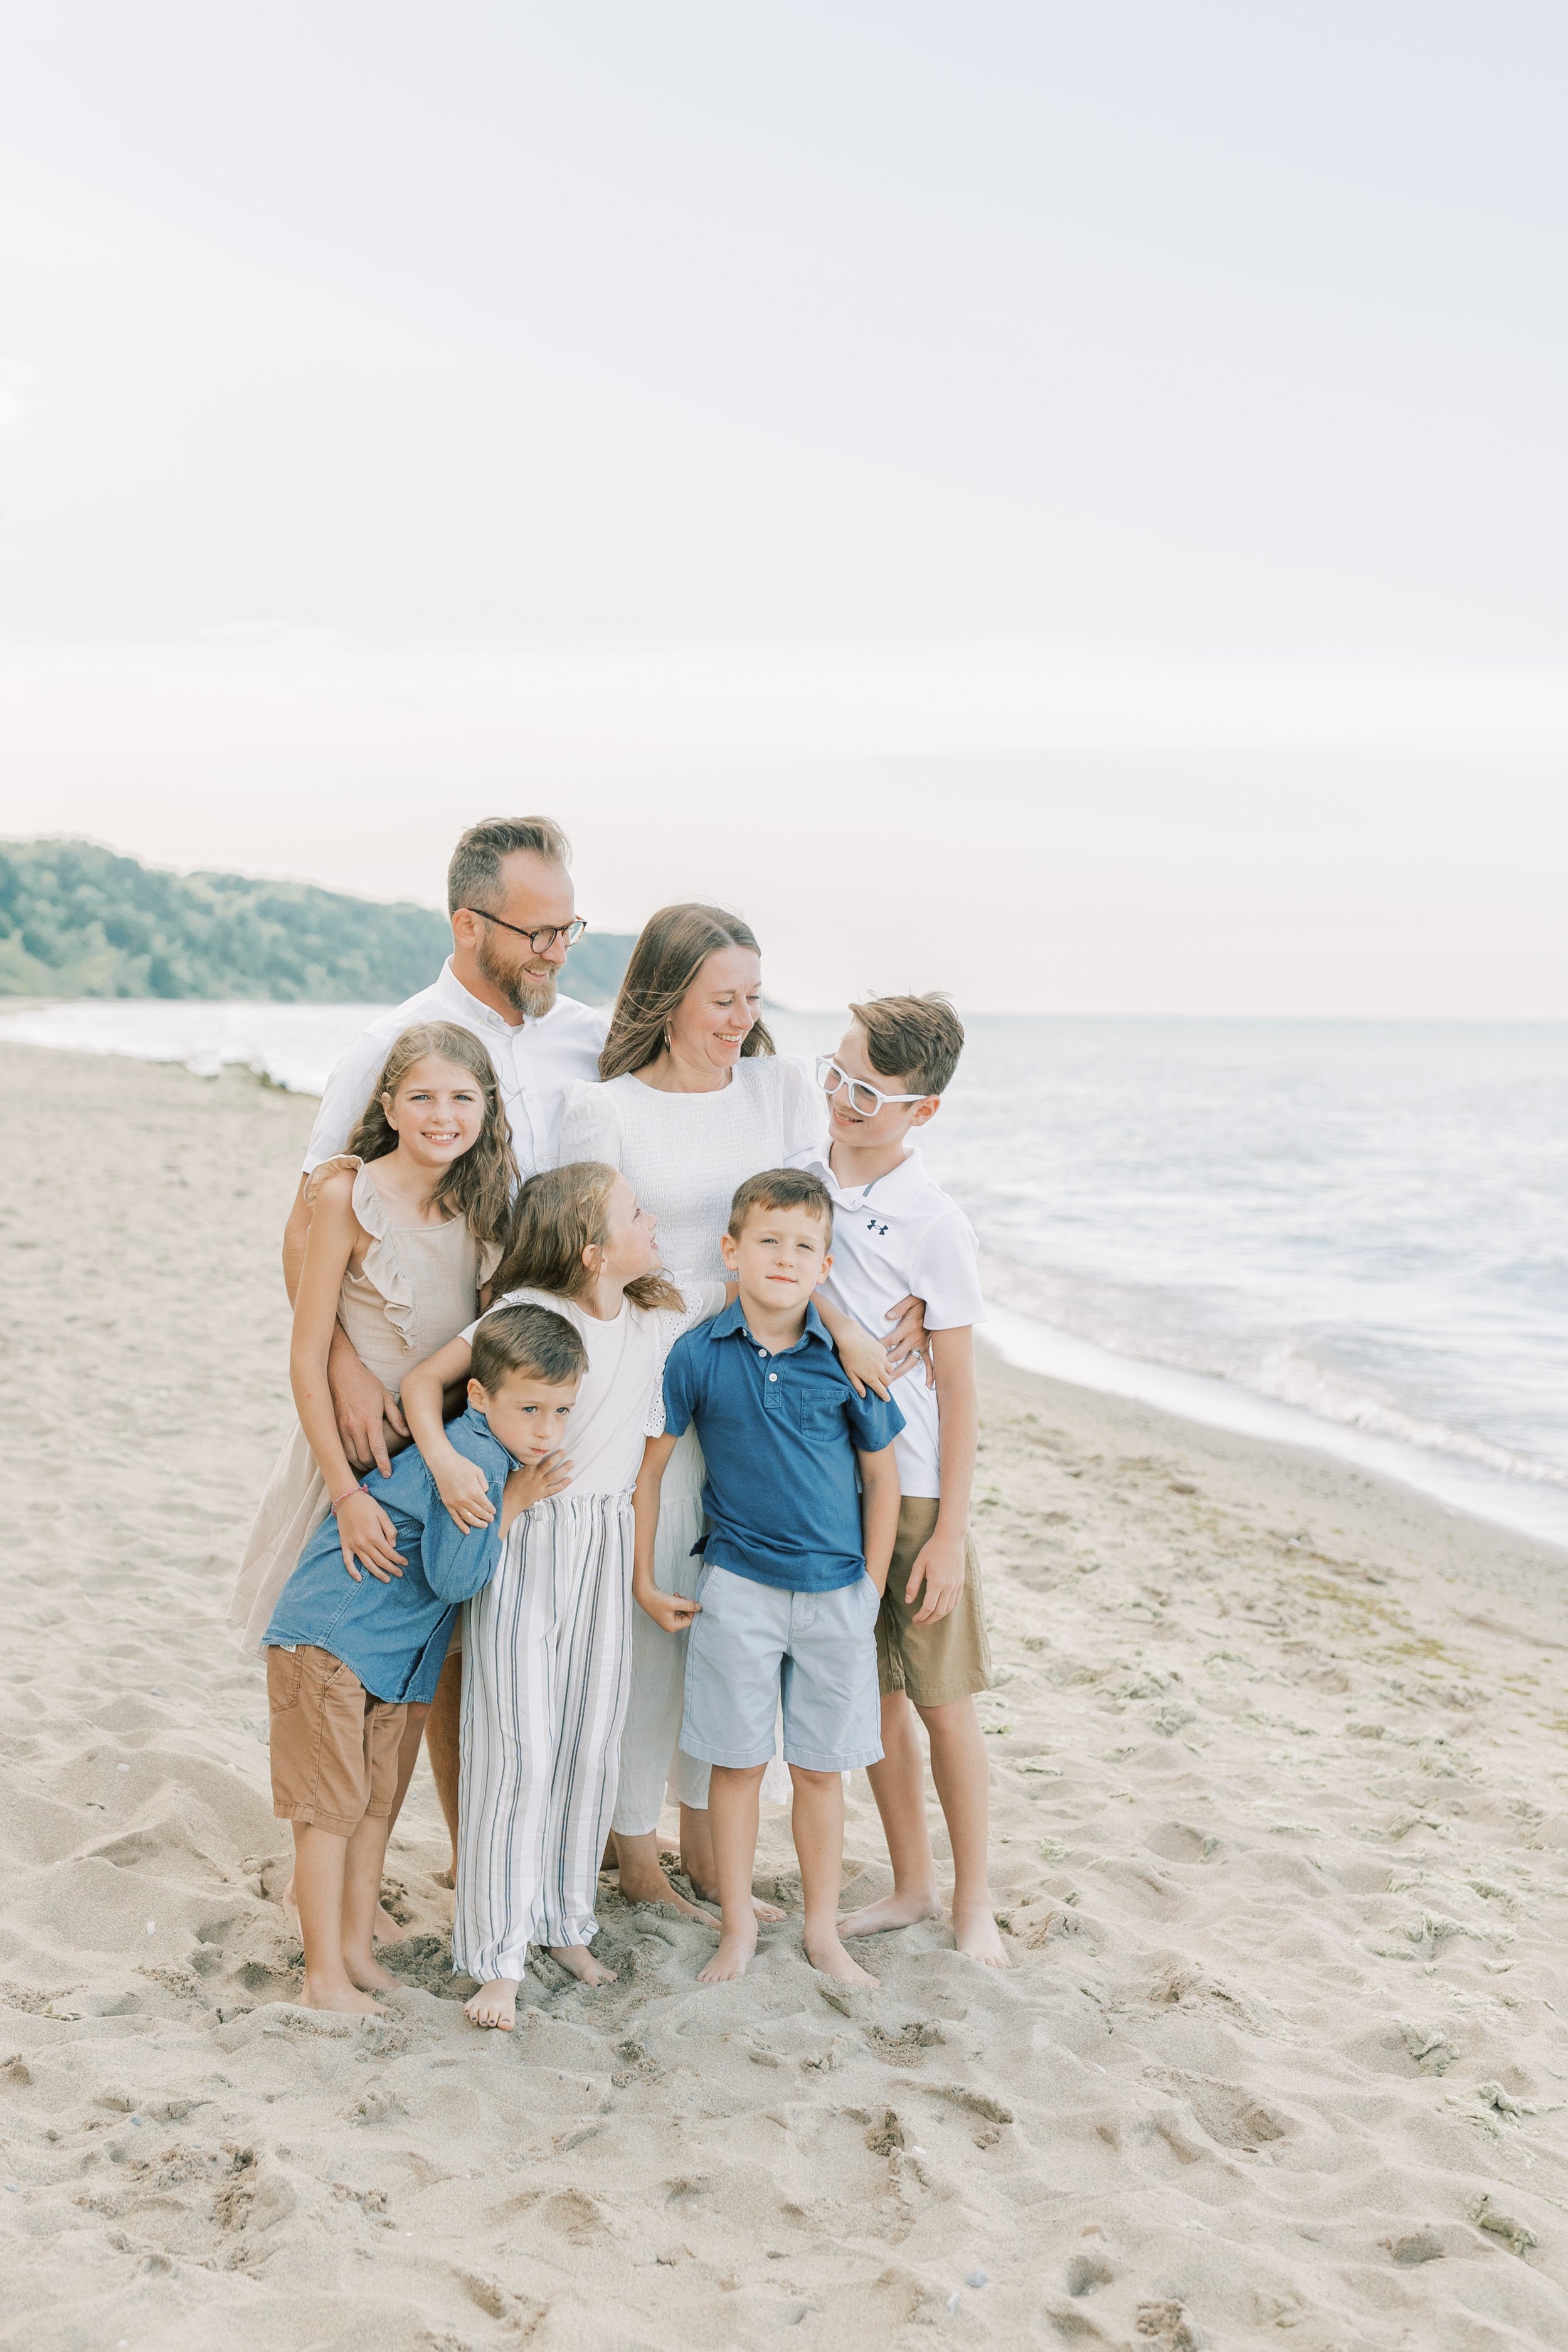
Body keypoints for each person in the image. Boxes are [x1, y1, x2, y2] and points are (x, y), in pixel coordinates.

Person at [558, 903, 927, 1919]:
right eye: (723, 999)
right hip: (658, 1374)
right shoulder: (609, 1111)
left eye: (753, 999)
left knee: (730, 1621)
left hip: (769, 1375)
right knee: (663, 1612)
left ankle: (708, 1853)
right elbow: (582, 1261)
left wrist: (852, 1325)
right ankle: (634, 1852)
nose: (741, 1018)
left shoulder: (775, 1092)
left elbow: (814, 1235)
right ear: (668, 998)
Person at [279, 815, 606, 1869]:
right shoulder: (393, 1041)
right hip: (381, 1399)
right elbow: (314, 1223)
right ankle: (371, 1862)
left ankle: (483, 1859)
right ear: (469, 924)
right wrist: (341, 1370)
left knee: (479, 1628)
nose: (560, 950)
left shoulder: (576, 1035)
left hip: (491, 1387)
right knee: (381, 1631)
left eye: (569, 928)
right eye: (539, 931)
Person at [399, 1162, 730, 2030]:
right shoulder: (532, 1317)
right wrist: (447, 1460)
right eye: (635, 1212)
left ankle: (564, 1921)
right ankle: (497, 1955)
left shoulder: (656, 1316)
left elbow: (766, 1280)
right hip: (528, 1540)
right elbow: (421, 1385)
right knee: (522, 1745)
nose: (653, 1219)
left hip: (607, 1540)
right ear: (592, 1249)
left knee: (590, 1741)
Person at [232, 1021, 519, 1912]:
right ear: (387, 1105)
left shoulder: (481, 1208)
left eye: (462, 1098)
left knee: (408, 1691)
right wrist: (350, 1494)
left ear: (487, 1110)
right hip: (352, 1466)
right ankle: (315, 1887)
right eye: (422, 1096)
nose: (442, 1115)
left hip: (427, 1474)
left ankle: (359, 1898)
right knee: (337, 1676)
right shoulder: (347, 1195)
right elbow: (307, 1355)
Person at [258, 1302, 586, 2015]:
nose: (545, 1430)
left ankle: (354, 1954)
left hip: (389, 1660)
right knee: (329, 1815)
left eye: (561, 1412)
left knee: (374, 1807)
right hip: (331, 1643)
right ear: (478, 1396)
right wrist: (514, 1506)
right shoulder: (471, 1465)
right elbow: (456, 1578)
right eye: (529, 1408)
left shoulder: (489, 1452)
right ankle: (323, 1978)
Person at [637, 1169, 904, 1988]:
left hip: (835, 1593)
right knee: (738, 1762)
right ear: (732, 1250)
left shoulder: (843, 1363)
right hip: (738, 1586)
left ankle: (824, 1930)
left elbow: (883, 1480)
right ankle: (738, 1923)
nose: (784, 1258)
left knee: (823, 1769)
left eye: (803, 1246)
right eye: (767, 1240)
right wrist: (646, 1583)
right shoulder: (698, 1353)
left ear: (825, 1266)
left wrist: (871, 1589)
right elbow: (648, 1474)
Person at [793, 995, 1008, 1968]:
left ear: (922, 1110)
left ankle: (973, 1902)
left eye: (869, 1092)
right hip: (824, 1481)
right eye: (836, 1075)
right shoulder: (799, 1178)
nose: (843, 1098)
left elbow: (961, 1389)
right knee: (870, 1698)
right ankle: (911, 1881)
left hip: (915, 1488)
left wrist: (953, 1533)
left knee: (941, 1700)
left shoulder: (936, 1222)